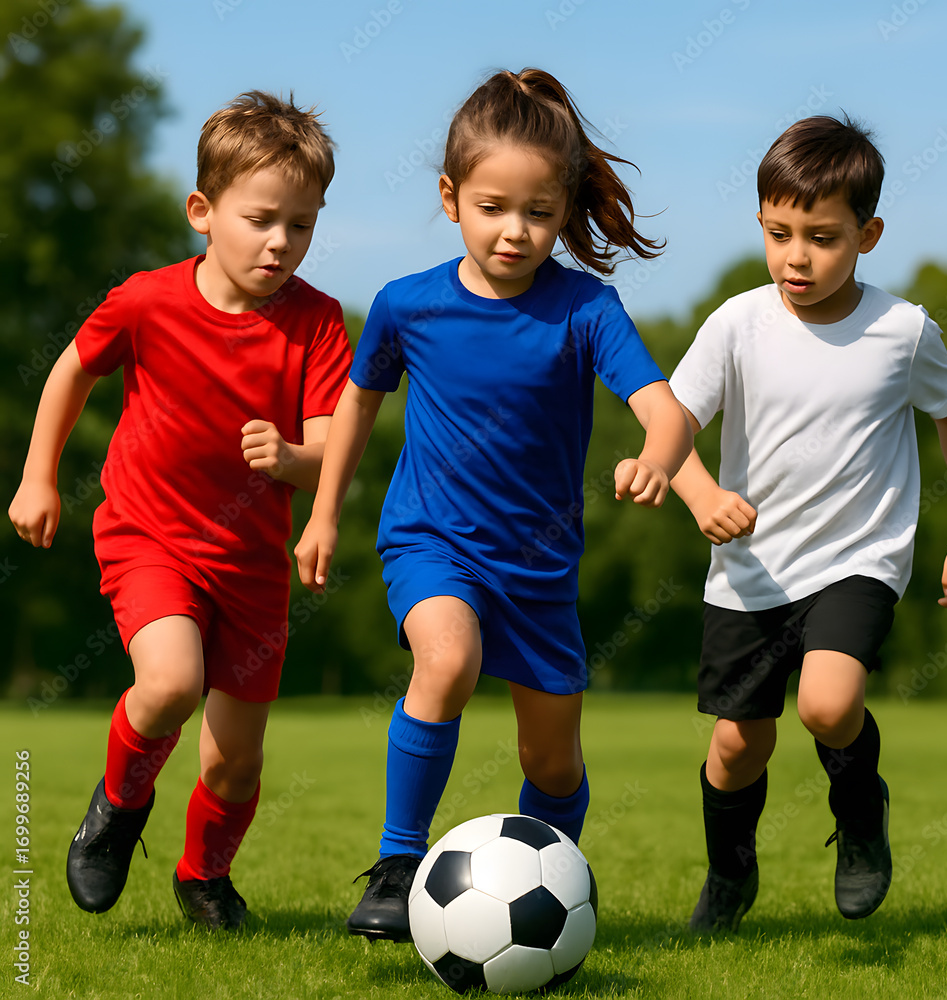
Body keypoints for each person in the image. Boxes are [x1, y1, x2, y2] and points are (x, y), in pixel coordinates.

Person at [294, 67, 692, 942]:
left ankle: (547, 886)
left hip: (539, 573)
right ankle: (398, 866)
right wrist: (324, 512)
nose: (516, 231)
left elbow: (665, 411)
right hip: (431, 542)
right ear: (451, 199)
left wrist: (657, 458)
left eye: (540, 212)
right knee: (447, 660)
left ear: (565, 208)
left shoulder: (586, 309)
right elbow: (356, 405)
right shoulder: (406, 306)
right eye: (492, 207)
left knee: (551, 763)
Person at [8, 91, 352, 931]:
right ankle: (119, 808)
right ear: (203, 212)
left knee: (235, 763)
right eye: (261, 220)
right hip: (148, 536)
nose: (280, 242)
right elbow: (72, 369)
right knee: (168, 683)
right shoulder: (146, 301)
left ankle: (204, 878)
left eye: (301, 225)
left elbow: (329, 448)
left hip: (251, 564)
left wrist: (293, 460)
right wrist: (38, 476)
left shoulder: (317, 322)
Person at [668, 115, 947, 933]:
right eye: (779, 234)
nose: (796, 258)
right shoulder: (735, 324)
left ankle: (861, 814)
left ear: (866, 236)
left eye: (822, 238)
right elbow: (673, 423)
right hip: (750, 573)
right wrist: (695, 491)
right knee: (738, 746)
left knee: (827, 703)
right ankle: (730, 872)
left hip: (857, 560)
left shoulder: (903, 331)